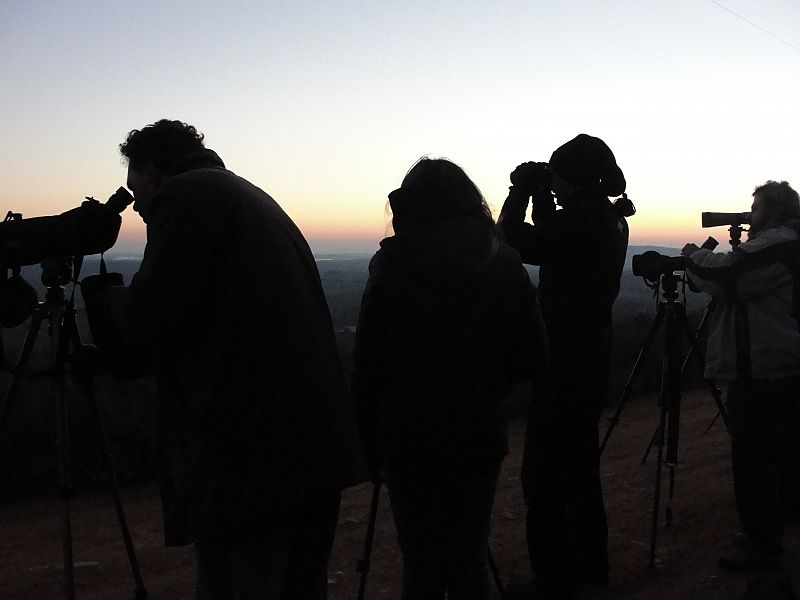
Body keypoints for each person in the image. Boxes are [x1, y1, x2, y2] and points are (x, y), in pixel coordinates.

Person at [82, 119, 364, 599]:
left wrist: (104, 302)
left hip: (250, 455)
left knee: (238, 583)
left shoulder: (189, 196)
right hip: (309, 444)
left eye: (137, 189)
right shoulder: (246, 195)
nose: (140, 208)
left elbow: (154, 315)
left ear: (154, 169)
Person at [352, 157, 542, 600]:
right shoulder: (504, 260)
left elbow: (369, 365)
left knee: (420, 558)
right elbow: (532, 354)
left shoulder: (392, 262)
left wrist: (366, 443)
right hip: (478, 426)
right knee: (469, 553)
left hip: (408, 433)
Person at [497, 134, 635, 599]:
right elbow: (553, 236)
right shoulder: (610, 218)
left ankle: (553, 578)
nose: (551, 182)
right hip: (591, 354)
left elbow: (514, 239)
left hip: (563, 359)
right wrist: (542, 193)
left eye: (557, 174)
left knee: (544, 474)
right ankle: (590, 566)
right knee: (578, 468)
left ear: (572, 176)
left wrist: (519, 190)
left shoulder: (582, 221)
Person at [682, 180, 800, 571]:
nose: (751, 214)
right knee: (779, 452)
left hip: (764, 366)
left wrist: (691, 254)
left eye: (756, 207)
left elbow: (729, 278)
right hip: (781, 363)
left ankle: (761, 545)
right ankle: (776, 524)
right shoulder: (789, 241)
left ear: (773, 210)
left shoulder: (780, 242)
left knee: (754, 458)